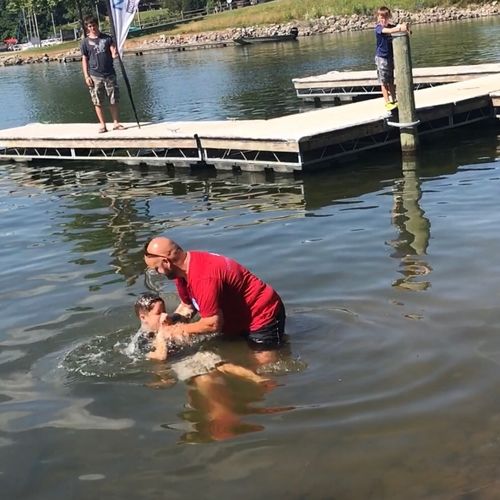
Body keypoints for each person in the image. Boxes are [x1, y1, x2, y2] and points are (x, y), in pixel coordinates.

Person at [142, 237, 286, 350]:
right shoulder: (181, 272)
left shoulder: (203, 277)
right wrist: (171, 320)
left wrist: (174, 331)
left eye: (156, 268)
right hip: (234, 317)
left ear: (166, 262)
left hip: (263, 315)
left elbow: (212, 324)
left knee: (264, 370)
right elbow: (187, 306)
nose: (157, 273)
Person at [80, 15, 124, 134]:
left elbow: (113, 51)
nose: (92, 28)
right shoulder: (85, 42)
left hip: (109, 73)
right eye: (90, 26)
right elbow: (84, 59)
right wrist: (86, 76)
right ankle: (102, 125)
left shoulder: (107, 38)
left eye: (94, 25)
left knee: (113, 99)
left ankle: (116, 123)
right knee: (97, 101)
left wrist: (115, 53)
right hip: (95, 75)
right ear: (87, 27)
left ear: (97, 25)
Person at [375, 6, 408, 111]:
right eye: (381, 17)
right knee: (383, 81)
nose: (383, 19)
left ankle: (394, 99)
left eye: (385, 17)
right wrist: (399, 28)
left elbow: (396, 28)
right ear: (378, 17)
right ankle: (387, 102)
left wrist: (404, 27)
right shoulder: (378, 28)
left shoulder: (391, 26)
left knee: (391, 80)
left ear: (389, 17)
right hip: (381, 58)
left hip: (390, 57)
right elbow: (389, 30)